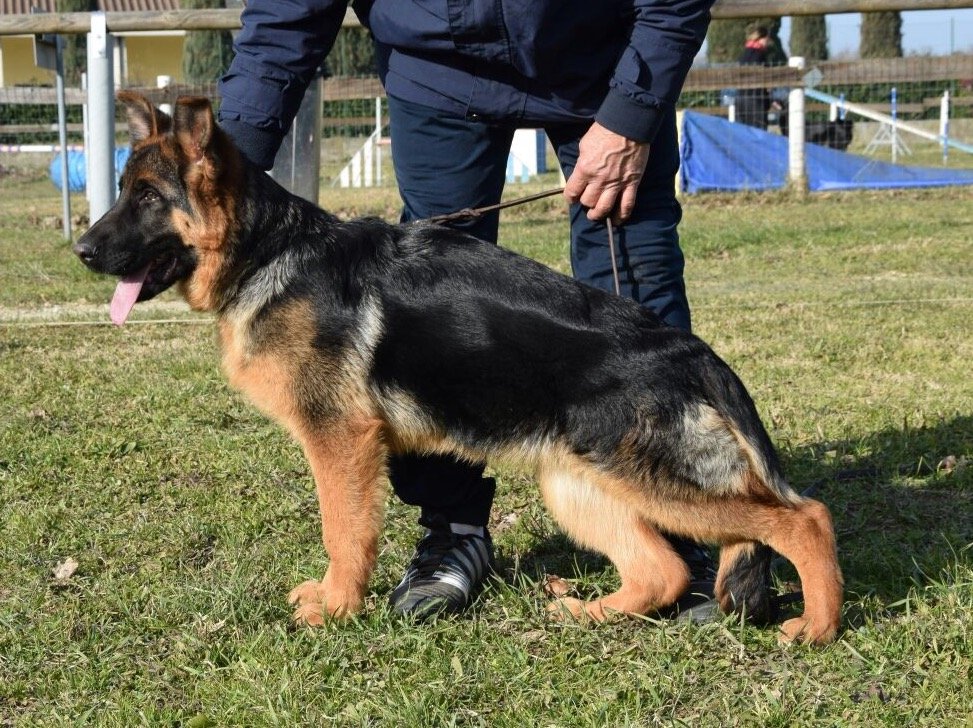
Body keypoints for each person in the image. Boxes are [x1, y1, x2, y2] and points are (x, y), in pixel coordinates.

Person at [218, 0, 719, 621]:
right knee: (423, 331)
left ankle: (678, 535)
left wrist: (632, 112)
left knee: (636, 294)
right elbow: (286, 14)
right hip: (438, 71)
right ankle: (453, 533)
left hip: (602, 59)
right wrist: (226, 164)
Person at [735, 23, 786, 130]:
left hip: (741, 100)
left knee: (743, 133)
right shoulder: (759, 55)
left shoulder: (744, 55)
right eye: (767, 38)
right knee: (759, 134)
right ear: (761, 39)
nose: (768, 42)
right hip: (756, 101)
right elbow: (765, 80)